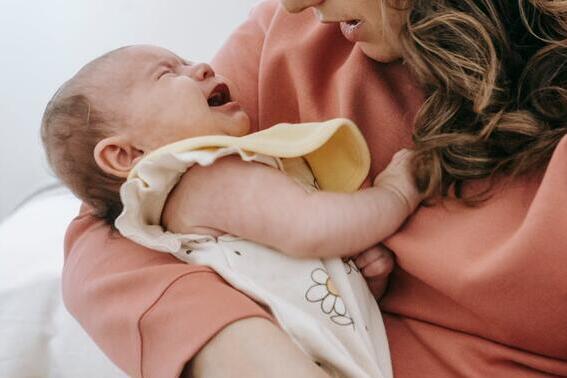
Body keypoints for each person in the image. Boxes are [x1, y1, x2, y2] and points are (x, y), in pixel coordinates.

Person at [60, 0, 567, 377]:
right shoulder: (207, 144)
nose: (297, 4)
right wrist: (238, 344)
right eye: (169, 72)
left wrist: (342, 279)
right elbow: (102, 226)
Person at [41, 44, 425, 377]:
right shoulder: (205, 176)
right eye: (167, 74)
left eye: (187, 60)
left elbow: (289, 287)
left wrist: (355, 278)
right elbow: (311, 227)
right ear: (126, 155)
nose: (202, 67)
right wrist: (396, 193)